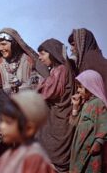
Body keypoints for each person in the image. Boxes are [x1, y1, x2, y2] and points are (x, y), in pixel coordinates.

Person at [0, 28, 49, 172]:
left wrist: (24, 89)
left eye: (5, 44)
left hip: (28, 112)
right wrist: (6, 100)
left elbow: (43, 83)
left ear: (14, 43)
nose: (1, 48)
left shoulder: (30, 60)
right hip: (4, 113)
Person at [36, 38, 75, 172]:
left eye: (42, 53)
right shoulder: (57, 69)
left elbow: (48, 93)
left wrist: (38, 89)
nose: (40, 58)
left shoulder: (61, 70)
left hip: (60, 120)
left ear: (52, 53)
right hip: (57, 117)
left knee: (55, 156)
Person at [0, 90, 55, 173]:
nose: (1, 126)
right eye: (2, 121)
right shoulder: (9, 154)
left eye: (8, 122)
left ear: (29, 128)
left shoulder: (34, 159)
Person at [69, 70, 107, 173]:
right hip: (81, 146)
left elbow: (104, 124)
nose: (78, 90)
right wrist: (75, 106)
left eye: (81, 87)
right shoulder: (86, 103)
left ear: (91, 86)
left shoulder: (98, 103)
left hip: (90, 148)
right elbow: (73, 123)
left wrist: (98, 142)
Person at [68, 28, 107, 92]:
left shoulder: (90, 59)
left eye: (73, 45)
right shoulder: (89, 58)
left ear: (82, 43)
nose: (71, 49)